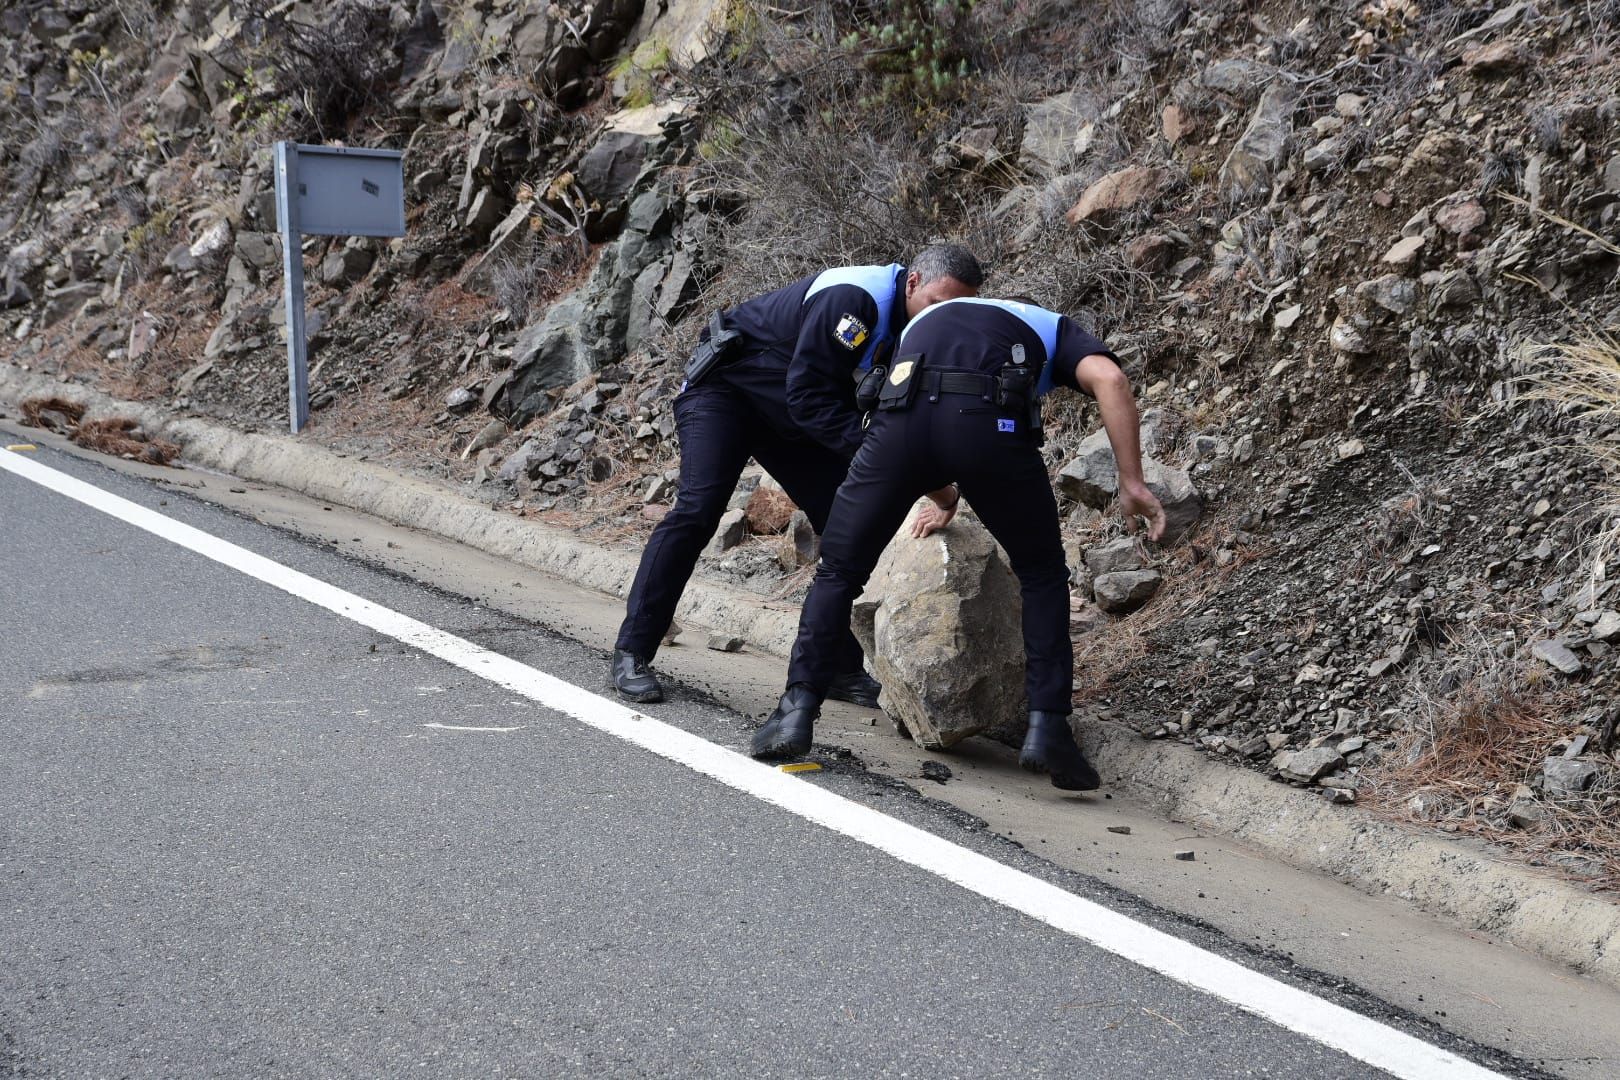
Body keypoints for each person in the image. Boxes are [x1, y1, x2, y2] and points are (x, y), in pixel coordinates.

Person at [749, 296, 1167, 790]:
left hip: (897, 432)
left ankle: (796, 711)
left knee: (838, 572)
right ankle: (1048, 727)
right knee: (1042, 574)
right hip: (991, 425)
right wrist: (1132, 481)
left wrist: (945, 495)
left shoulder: (921, 322)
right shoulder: (1051, 327)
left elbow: (923, 413)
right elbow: (1111, 381)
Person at [611, 246, 985, 704]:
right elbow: (812, 399)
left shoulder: (922, 331)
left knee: (844, 522)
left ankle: (834, 669)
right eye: (936, 305)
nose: (943, 319)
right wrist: (886, 459)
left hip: (788, 412)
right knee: (698, 510)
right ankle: (632, 651)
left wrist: (944, 491)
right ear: (912, 283)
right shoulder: (854, 302)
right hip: (727, 393)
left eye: (956, 311)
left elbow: (905, 423)